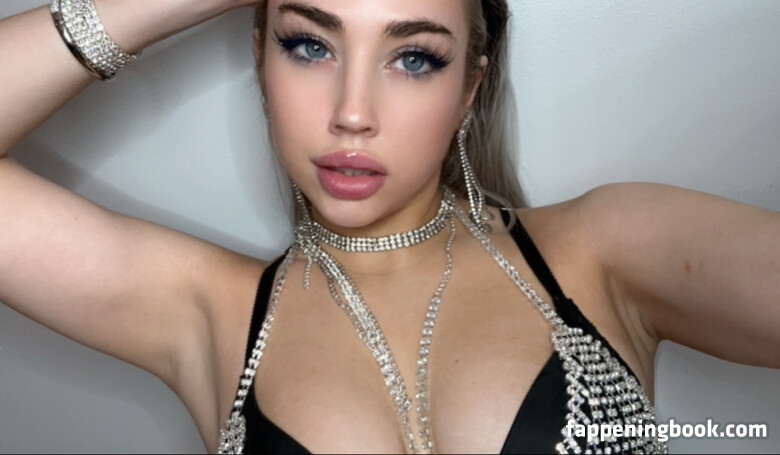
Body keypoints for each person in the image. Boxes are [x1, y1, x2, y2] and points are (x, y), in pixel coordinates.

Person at [0, 0, 778, 453]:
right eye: (309, 44)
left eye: (413, 59)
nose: (352, 113)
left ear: (469, 86)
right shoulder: (209, 312)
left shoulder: (604, 250)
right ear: (261, 60)